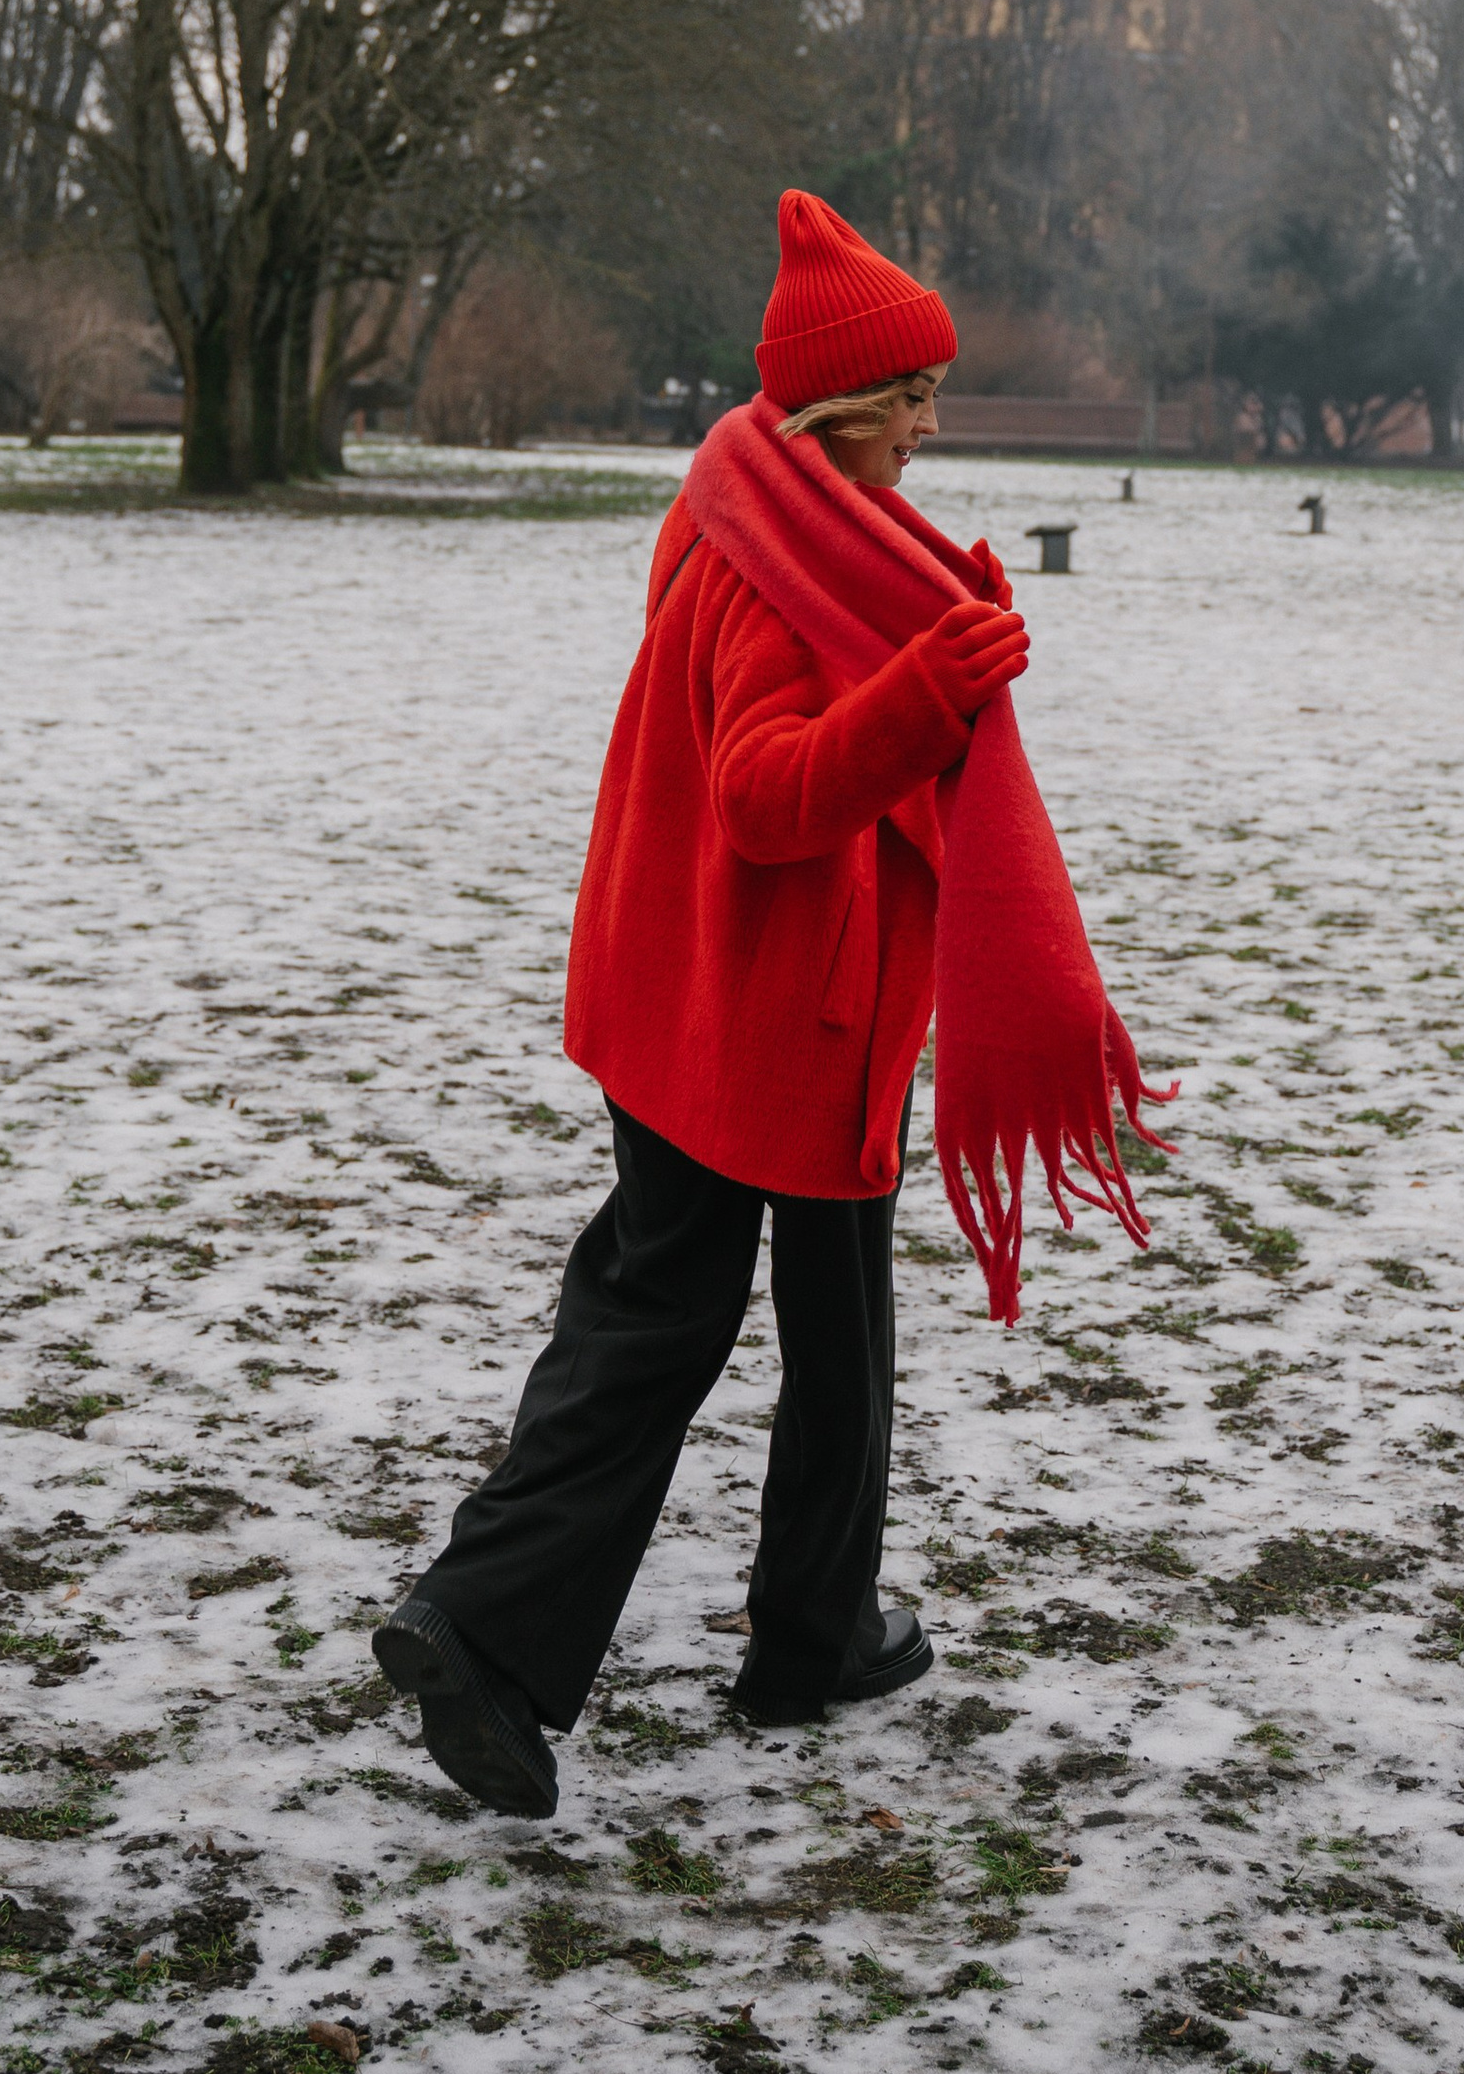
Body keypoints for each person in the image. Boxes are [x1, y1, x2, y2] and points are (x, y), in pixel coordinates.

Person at [373, 188, 1161, 1817]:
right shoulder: (763, 560)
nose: (934, 425)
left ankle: (814, 1631)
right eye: (915, 398)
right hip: (735, 1013)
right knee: (662, 1313)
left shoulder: (795, 516)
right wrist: (922, 697)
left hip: (767, 1006)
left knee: (835, 1323)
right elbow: (764, 795)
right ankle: (481, 1631)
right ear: (841, 411)